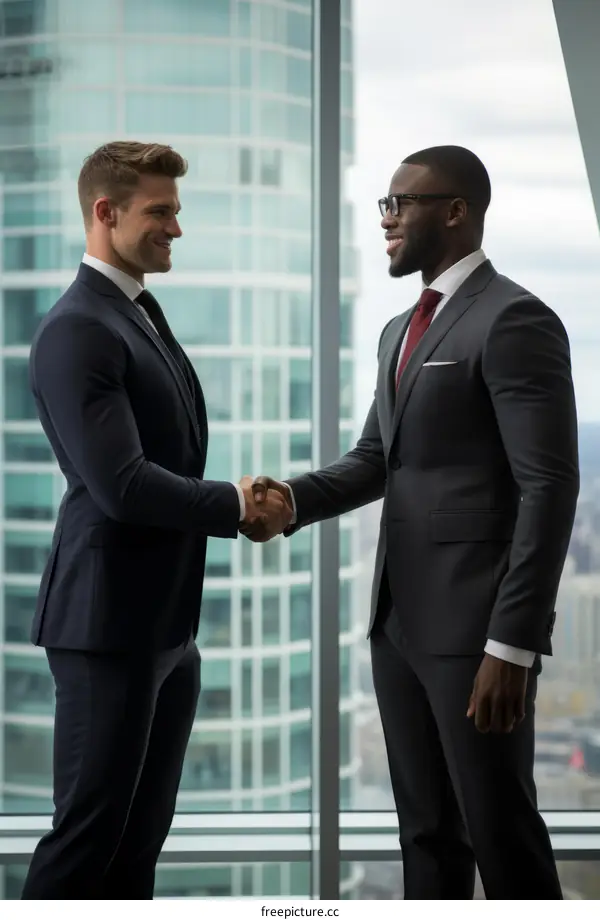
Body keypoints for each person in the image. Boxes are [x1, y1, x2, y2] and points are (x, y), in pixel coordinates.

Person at [243, 145, 579, 899]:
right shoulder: (400, 329)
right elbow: (375, 460)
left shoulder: (515, 318)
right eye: (384, 205)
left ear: (455, 211)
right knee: (425, 837)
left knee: (503, 833)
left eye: (402, 203)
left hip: (475, 636)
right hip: (395, 625)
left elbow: (549, 487)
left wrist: (513, 645)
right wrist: (287, 502)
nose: (387, 219)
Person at [21, 141, 291, 899]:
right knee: (85, 848)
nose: (176, 227)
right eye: (161, 212)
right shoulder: (80, 327)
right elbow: (123, 486)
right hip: (107, 630)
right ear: (106, 214)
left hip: (168, 630)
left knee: (137, 852)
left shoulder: (135, 312)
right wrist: (237, 505)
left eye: (176, 211)